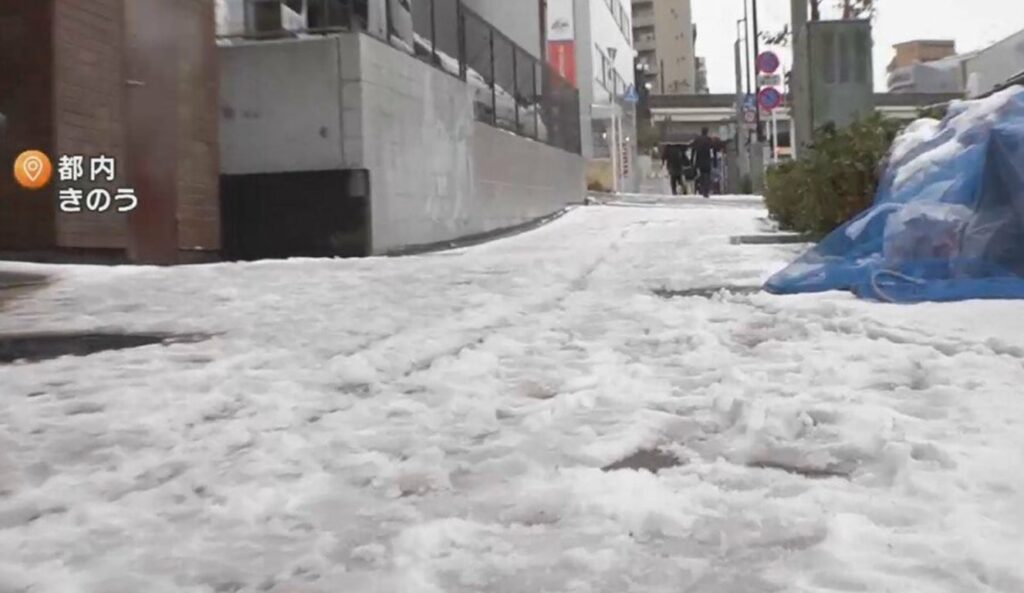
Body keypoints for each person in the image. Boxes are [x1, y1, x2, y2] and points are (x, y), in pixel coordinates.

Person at [689, 127, 718, 198]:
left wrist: (692, 160)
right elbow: (714, 150)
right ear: (707, 132)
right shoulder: (709, 140)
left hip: (699, 160)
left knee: (701, 175)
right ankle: (706, 191)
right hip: (707, 160)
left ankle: (702, 189)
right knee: (707, 175)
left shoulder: (697, 140)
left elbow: (693, 150)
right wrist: (715, 161)